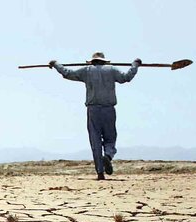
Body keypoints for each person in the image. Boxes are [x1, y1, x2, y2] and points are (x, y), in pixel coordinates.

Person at [49, 52, 141, 180]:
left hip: (93, 110)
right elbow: (126, 77)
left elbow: (67, 73)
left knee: (95, 141)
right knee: (110, 138)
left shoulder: (87, 71)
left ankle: (100, 172)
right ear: (104, 61)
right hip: (109, 109)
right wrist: (135, 64)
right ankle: (108, 156)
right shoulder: (112, 69)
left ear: (92, 61)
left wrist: (55, 64)